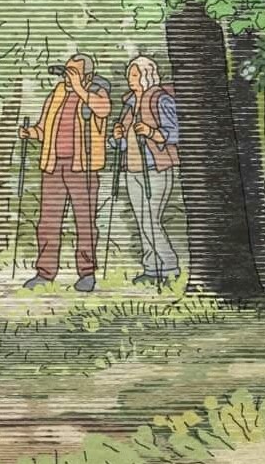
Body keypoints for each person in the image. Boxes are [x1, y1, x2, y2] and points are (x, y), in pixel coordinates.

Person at [20, 54, 111, 293]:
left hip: (83, 167)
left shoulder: (97, 92)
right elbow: (44, 127)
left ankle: (87, 273)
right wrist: (32, 133)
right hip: (53, 165)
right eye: (66, 71)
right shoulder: (57, 93)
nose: (67, 76)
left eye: (73, 72)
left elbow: (103, 110)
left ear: (88, 75)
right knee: (48, 221)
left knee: (85, 221)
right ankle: (44, 272)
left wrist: (81, 89)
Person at [115, 55, 182, 284]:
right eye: (129, 75)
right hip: (132, 169)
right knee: (142, 219)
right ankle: (152, 268)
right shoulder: (131, 104)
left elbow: (175, 133)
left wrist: (151, 132)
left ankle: (170, 266)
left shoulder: (160, 99)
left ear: (146, 75)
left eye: (134, 75)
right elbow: (123, 141)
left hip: (156, 168)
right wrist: (117, 137)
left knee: (150, 219)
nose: (130, 79)